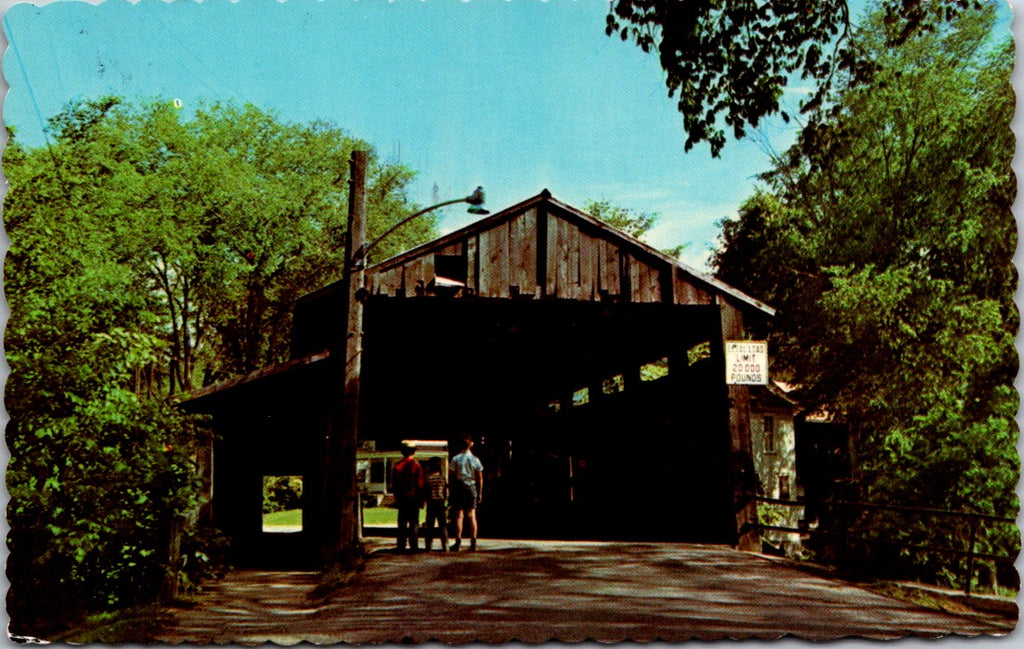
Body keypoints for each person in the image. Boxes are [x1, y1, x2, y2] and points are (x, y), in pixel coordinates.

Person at [448, 434, 483, 551]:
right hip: (471, 486)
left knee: (459, 515)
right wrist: (480, 492)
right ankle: (473, 541)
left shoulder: (455, 459)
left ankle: (458, 541)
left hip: (459, 486)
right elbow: (479, 477)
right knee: (471, 514)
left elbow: (451, 476)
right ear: (471, 445)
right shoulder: (475, 459)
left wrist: (451, 490)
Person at [392, 442, 424, 552]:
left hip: (402, 498)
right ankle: (413, 545)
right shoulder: (417, 466)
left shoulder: (398, 466)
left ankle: (401, 545)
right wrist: (421, 499)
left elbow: (395, 485)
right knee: (414, 522)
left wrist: (396, 497)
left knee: (402, 522)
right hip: (414, 498)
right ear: (414, 452)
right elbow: (420, 484)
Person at [422, 457, 449, 551]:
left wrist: (424, 501)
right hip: (441, 502)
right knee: (443, 525)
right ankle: (445, 545)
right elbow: (446, 492)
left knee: (430, 525)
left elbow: (426, 492)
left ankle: (428, 546)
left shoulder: (428, 479)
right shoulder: (442, 479)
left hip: (431, 503)